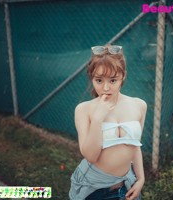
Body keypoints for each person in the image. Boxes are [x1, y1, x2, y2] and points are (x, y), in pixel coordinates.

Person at [69, 45, 147, 200]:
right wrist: (98, 118)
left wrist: (141, 179)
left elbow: (135, 146)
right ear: (92, 78)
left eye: (113, 80)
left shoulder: (139, 105)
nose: (106, 88)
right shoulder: (84, 110)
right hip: (93, 188)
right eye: (99, 80)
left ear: (123, 76)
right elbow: (91, 156)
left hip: (126, 186)